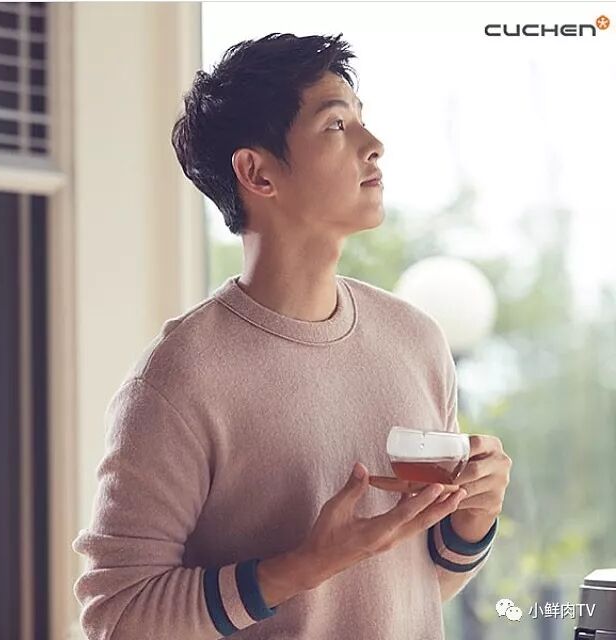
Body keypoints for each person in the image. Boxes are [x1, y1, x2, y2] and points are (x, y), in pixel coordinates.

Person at [72, 33, 511, 640]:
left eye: (362, 120)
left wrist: (472, 520)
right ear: (257, 173)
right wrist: (305, 566)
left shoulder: (416, 341)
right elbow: (117, 615)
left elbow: (412, 588)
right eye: (337, 125)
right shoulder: (179, 378)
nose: (374, 144)